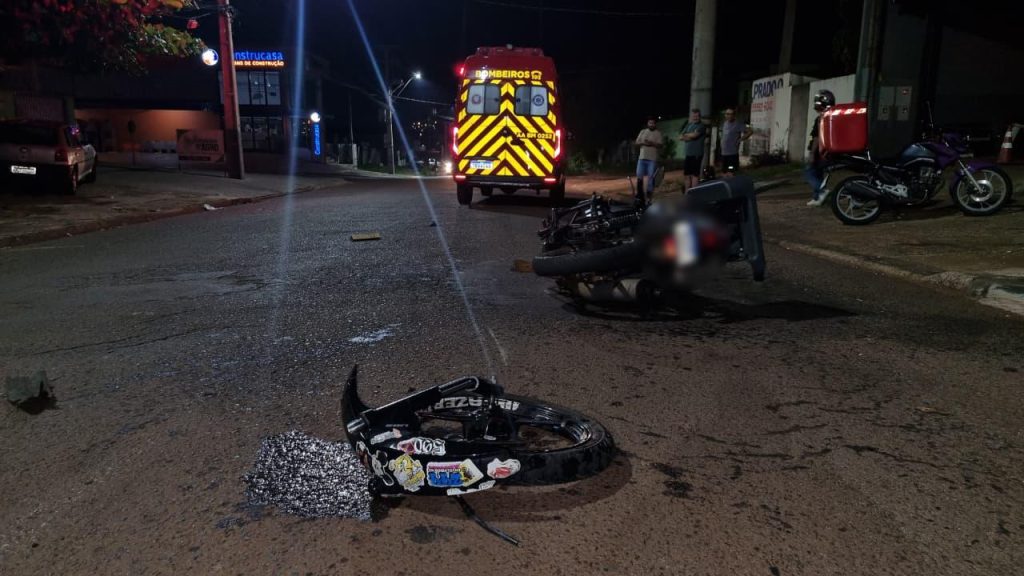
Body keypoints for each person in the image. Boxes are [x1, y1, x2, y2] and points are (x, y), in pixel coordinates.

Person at [805, 89, 835, 206]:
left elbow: (817, 137)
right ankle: (817, 198)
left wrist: (812, 153)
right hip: (828, 152)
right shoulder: (831, 116)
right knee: (818, 174)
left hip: (820, 152)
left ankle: (822, 191)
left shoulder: (821, 119)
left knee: (809, 172)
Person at [634, 117, 663, 206]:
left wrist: (651, 143)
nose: (651, 124)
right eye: (650, 123)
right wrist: (643, 143)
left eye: (653, 123)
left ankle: (649, 198)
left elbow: (660, 145)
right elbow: (636, 143)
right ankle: (640, 196)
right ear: (647, 123)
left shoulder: (658, 133)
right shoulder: (643, 132)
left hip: (652, 159)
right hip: (642, 158)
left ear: (655, 124)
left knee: (651, 178)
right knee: (639, 176)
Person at [679, 109, 706, 190]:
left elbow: (695, 135)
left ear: (700, 117)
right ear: (692, 117)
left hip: (696, 154)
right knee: (687, 175)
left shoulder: (701, 126)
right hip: (688, 154)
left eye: (697, 116)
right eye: (694, 116)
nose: (695, 117)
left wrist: (687, 136)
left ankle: (694, 193)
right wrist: (689, 136)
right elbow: (680, 137)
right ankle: (687, 193)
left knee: (695, 175)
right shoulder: (689, 125)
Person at [720, 108, 752, 176]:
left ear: (734, 115)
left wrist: (740, 139)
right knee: (724, 173)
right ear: (725, 115)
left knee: (731, 172)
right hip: (724, 153)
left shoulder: (737, 124)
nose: (729, 116)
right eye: (728, 114)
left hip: (732, 154)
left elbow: (750, 131)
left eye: (731, 114)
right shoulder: (725, 124)